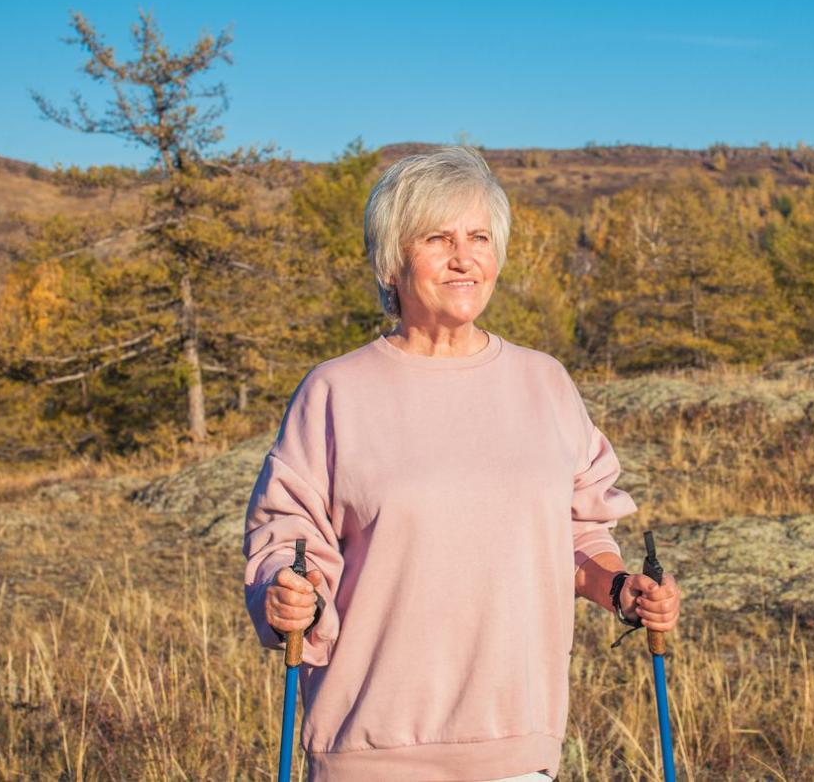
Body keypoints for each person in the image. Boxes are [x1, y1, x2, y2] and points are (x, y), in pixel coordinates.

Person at [243, 146, 681, 781]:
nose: (463, 257)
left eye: (479, 237)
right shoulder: (336, 391)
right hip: (370, 748)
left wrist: (620, 588)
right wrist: (290, 592)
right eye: (437, 238)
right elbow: (286, 534)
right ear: (392, 260)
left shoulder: (544, 383)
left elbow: (580, 531)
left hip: (517, 749)